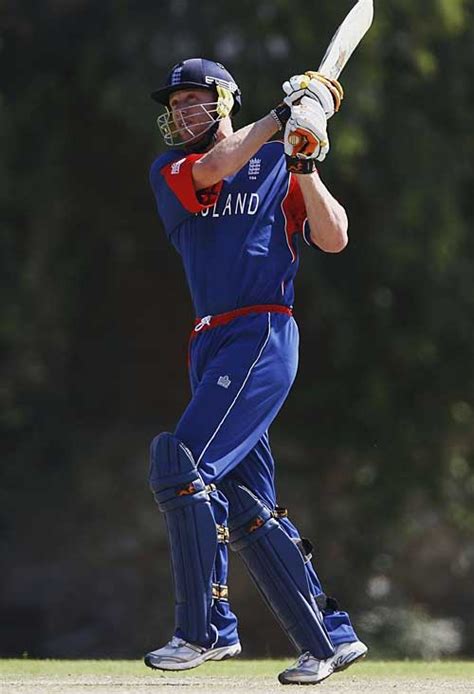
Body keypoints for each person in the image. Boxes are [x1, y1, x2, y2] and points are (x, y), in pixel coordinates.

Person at [145, 57, 367, 685]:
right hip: (211, 341)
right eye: (177, 104)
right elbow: (217, 167)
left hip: (263, 330)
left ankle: (206, 631)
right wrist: (281, 115)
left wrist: (304, 161)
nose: (186, 111)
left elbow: (334, 236)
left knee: (179, 462)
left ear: (224, 100)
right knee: (246, 502)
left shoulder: (277, 162)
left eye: (197, 99)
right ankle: (328, 639)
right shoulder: (172, 170)